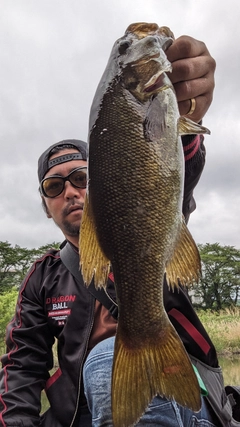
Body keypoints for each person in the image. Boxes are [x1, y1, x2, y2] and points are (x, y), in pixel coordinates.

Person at [0, 34, 239, 427]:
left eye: (80, 177)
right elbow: (22, 367)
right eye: (54, 187)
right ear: (45, 206)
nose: (71, 192)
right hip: (88, 411)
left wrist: (185, 121)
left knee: (107, 358)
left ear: (103, 179)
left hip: (187, 400)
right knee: (102, 362)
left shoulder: (149, 218)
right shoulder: (42, 278)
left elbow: (177, 179)